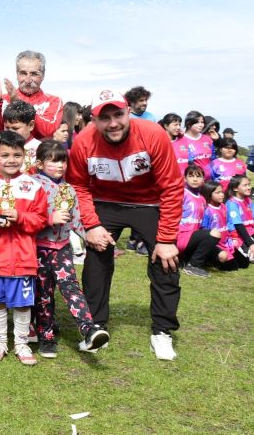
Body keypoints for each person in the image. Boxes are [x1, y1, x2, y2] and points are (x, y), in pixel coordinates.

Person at [66, 89, 183, 361]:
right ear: (93, 120)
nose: (113, 123)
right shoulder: (84, 142)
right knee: (96, 257)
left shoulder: (153, 134)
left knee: (166, 261)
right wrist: (91, 226)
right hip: (105, 202)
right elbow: (78, 187)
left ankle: (162, 330)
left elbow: (172, 187)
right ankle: (95, 326)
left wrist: (166, 240)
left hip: (149, 203)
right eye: (104, 118)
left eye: (118, 114)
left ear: (128, 112)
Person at [0, 131, 48, 365]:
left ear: (25, 155)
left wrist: (21, 217)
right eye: (5, 155)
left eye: (17, 154)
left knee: (23, 304)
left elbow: (41, 219)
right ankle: (0, 341)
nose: (11, 160)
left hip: (24, 259)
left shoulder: (33, 186)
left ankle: (22, 343)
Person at [31, 140, 109, 358]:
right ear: (39, 163)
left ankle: (89, 330)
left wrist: (92, 237)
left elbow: (77, 221)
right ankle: (46, 337)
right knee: (43, 295)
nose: (59, 166)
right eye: (52, 161)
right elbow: (28, 216)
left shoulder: (69, 189)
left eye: (62, 161)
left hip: (63, 248)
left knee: (71, 288)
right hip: (38, 249)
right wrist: (48, 219)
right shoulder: (31, 185)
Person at [0, 50, 64, 141]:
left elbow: (48, 131)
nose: (28, 80)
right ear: (17, 75)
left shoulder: (53, 101)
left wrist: (19, 104)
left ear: (43, 76)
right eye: (23, 73)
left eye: (34, 74)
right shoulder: (3, 100)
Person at [1, 99, 40, 174]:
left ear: (31, 125)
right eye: (7, 128)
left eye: (15, 128)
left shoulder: (40, 149)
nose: (10, 132)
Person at [225, 175, 254, 265]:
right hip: (239, 235)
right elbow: (238, 226)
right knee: (244, 261)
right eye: (245, 185)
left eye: (249, 185)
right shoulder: (232, 203)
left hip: (251, 233)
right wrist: (250, 244)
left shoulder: (248, 200)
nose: (249, 187)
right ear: (235, 188)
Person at [182, 111, 214, 177]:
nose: (201, 125)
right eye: (197, 122)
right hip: (193, 181)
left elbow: (214, 158)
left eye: (202, 122)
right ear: (189, 124)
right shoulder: (182, 140)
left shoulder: (208, 139)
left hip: (209, 182)